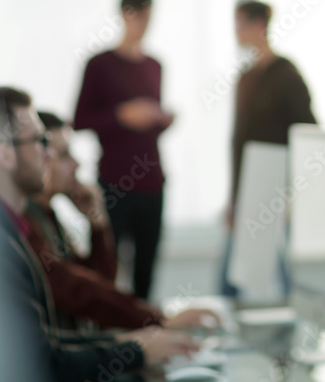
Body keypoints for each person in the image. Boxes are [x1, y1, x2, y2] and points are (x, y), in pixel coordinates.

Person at [0, 87, 197, 382]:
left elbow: (39, 344)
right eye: (41, 141)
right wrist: (135, 350)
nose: (48, 155)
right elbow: (40, 365)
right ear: (5, 155)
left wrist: (129, 344)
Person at [27, 111, 221, 332]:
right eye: (64, 155)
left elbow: (99, 283)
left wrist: (98, 223)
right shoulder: (28, 222)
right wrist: (159, 320)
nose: (77, 164)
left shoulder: (49, 217)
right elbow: (79, 293)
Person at [74, 0, 175, 300]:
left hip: (152, 181)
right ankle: (113, 343)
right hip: (115, 182)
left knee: (146, 274)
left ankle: (149, 339)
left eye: (149, 17)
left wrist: (161, 121)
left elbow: (149, 131)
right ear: (124, 15)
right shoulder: (99, 64)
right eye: (139, 16)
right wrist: (122, 114)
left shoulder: (155, 66)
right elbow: (79, 121)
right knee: (110, 269)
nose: (144, 24)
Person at [220, 0, 317, 296]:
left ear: (259, 25)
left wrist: (292, 191)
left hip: (276, 187)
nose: (236, 31)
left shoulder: (285, 75)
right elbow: (239, 142)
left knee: (280, 270)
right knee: (236, 275)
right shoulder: (246, 77)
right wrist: (234, 197)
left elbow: (308, 131)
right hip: (249, 186)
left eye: (241, 24)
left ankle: (290, 333)